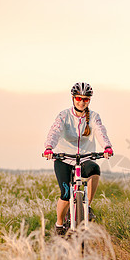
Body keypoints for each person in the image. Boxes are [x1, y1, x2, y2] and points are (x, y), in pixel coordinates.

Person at [43, 82, 113, 235]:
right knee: (66, 195)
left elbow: (100, 131)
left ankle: (86, 206)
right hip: (64, 159)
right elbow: (55, 131)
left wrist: (107, 147)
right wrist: (49, 147)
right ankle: (59, 224)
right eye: (78, 98)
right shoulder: (64, 115)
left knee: (95, 169)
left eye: (86, 99)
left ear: (89, 101)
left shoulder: (94, 117)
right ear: (73, 98)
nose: (81, 102)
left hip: (85, 158)